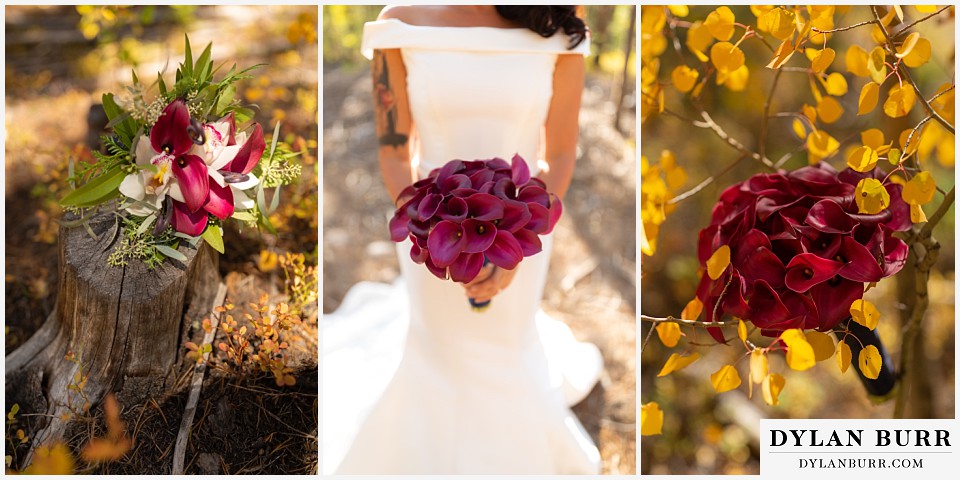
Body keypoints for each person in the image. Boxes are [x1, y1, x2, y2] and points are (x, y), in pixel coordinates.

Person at [323, 5, 603, 474]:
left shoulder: (559, 18)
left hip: (526, 228)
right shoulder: (400, 20)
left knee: (504, 345)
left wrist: (515, 245)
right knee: (440, 348)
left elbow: (558, 150)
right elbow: (395, 147)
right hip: (428, 224)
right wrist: (433, 237)